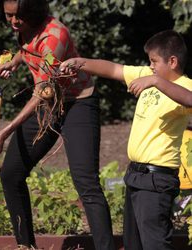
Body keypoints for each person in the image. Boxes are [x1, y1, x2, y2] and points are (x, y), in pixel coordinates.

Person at [0, 1, 115, 249]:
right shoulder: (24, 29)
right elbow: (29, 49)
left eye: (19, 17)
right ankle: (26, 246)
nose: (14, 22)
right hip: (48, 102)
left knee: (86, 183)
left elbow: (42, 91)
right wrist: (15, 61)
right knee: (11, 175)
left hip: (77, 102)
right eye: (8, 16)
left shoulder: (55, 35)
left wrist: (4, 131)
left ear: (32, 12)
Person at [60, 29, 192, 250]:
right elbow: (113, 69)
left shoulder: (184, 85)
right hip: (135, 175)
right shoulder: (148, 74)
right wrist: (79, 62)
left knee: (155, 244)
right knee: (134, 243)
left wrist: (155, 81)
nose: (150, 66)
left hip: (156, 180)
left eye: (154, 61)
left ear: (172, 61)